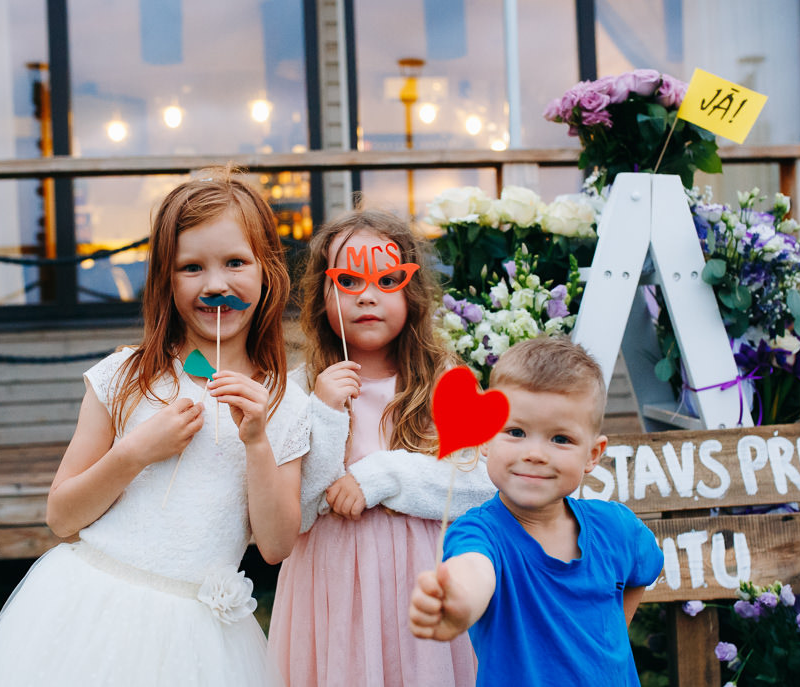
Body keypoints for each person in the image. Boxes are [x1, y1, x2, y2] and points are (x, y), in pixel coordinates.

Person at [0, 171, 309, 687]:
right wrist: (134, 453)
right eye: (192, 267)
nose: (216, 284)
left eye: (235, 262)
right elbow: (62, 517)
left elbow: (277, 546)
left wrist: (256, 440)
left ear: (268, 271)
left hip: (199, 642)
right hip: (90, 609)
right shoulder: (124, 378)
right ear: (166, 281)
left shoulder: (283, 401)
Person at [268, 209, 495, 687]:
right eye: (348, 280)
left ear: (411, 292)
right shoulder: (300, 389)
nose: (367, 295)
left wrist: (381, 477)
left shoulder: (443, 381)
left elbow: (477, 486)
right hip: (331, 587)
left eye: (387, 280)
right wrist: (326, 415)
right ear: (321, 295)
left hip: (422, 577)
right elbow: (301, 511)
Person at [408, 336, 664, 687]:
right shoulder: (480, 533)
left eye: (560, 439)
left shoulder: (616, 527)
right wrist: (456, 602)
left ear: (592, 454)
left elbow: (642, 570)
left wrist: (613, 637)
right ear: (485, 437)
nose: (535, 453)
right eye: (515, 431)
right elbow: (473, 573)